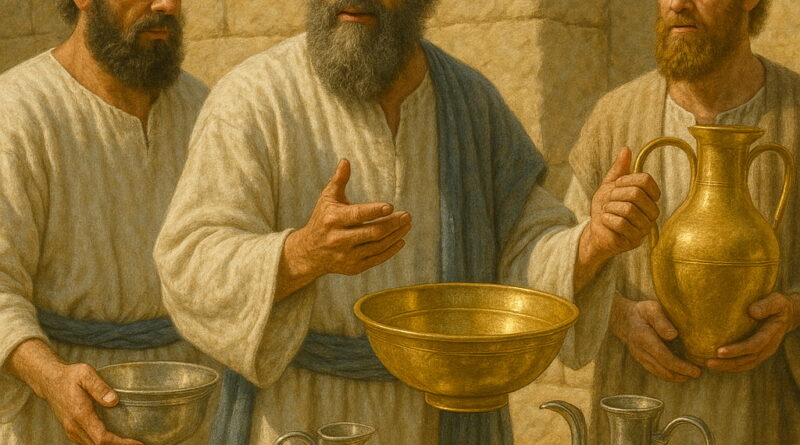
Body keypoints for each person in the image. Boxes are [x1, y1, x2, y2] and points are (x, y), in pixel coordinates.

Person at [153, 0, 659, 443]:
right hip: (300, 415)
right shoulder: (255, 97)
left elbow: (525, 247)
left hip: (439, 419)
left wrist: (593, 241)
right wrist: (299, 254)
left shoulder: (471, 101)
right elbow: (187, 259)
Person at [563, 0, 800, 443]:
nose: (676, 4)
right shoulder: (614, 117)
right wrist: (617, 314)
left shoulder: (796, 112)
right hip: (638, 404)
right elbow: (555, 264)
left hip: (764, 412)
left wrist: (791, 313)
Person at [0, 0, 214, 444]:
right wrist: (51, 378)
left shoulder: (204, 110)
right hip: (59, 413)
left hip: (193, 404)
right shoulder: (16, 114)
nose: (166, 6)